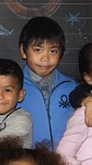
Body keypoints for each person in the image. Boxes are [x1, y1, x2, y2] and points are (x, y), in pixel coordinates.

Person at [16, 17, 78, 148]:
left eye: (53, 51)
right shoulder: (13, 87)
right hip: (26, 164)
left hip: (65, 164)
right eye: (38, 50)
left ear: (61, 53)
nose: (45, 58)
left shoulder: (73, 88)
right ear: (23, 51)